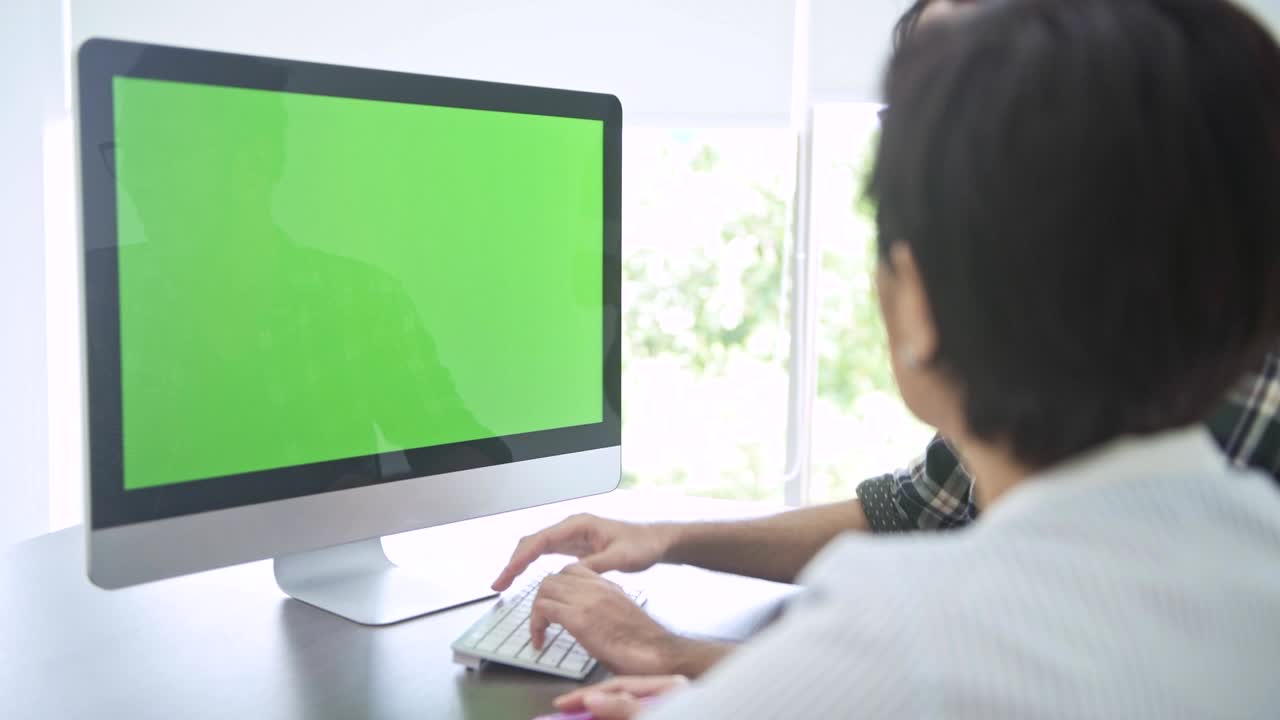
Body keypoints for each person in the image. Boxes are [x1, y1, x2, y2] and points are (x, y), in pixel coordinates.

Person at [491, 0, 1280, 693]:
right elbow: (912, 513)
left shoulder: (897, 647)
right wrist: (670, 539)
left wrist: (685, 666)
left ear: (913, 300)